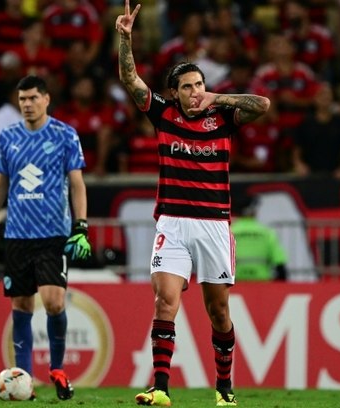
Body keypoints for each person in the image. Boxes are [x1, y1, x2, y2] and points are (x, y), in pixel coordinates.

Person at [115, 2, 271, 406]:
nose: (194, 92)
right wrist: (125, 38)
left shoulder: (222, 118)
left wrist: (218, 97)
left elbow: (262, 105)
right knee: (164, 300)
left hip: (214, 225)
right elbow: (129, 79)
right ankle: (161, 388)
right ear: (174, 93)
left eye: (198, 84)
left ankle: (224, 390)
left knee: (218, 312)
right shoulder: (163, 115)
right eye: (187, 87)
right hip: (173, 223)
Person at [0, 75, 91, 401]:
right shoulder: (9, 137)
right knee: (21, 304)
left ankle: (58, 369)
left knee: (53, 302)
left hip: (53, 234)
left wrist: (81, 226)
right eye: (22, 99)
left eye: (32, 98)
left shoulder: (65, 135)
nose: (26, 104)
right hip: (17, 236)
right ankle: (23, 379)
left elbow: (77, 183)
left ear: (46, 99)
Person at [230, 194, 287, 281]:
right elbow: (280, 264)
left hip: (235, 283)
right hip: (262, 283)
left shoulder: (230, 232)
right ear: (252, 211)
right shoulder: (266, 233)